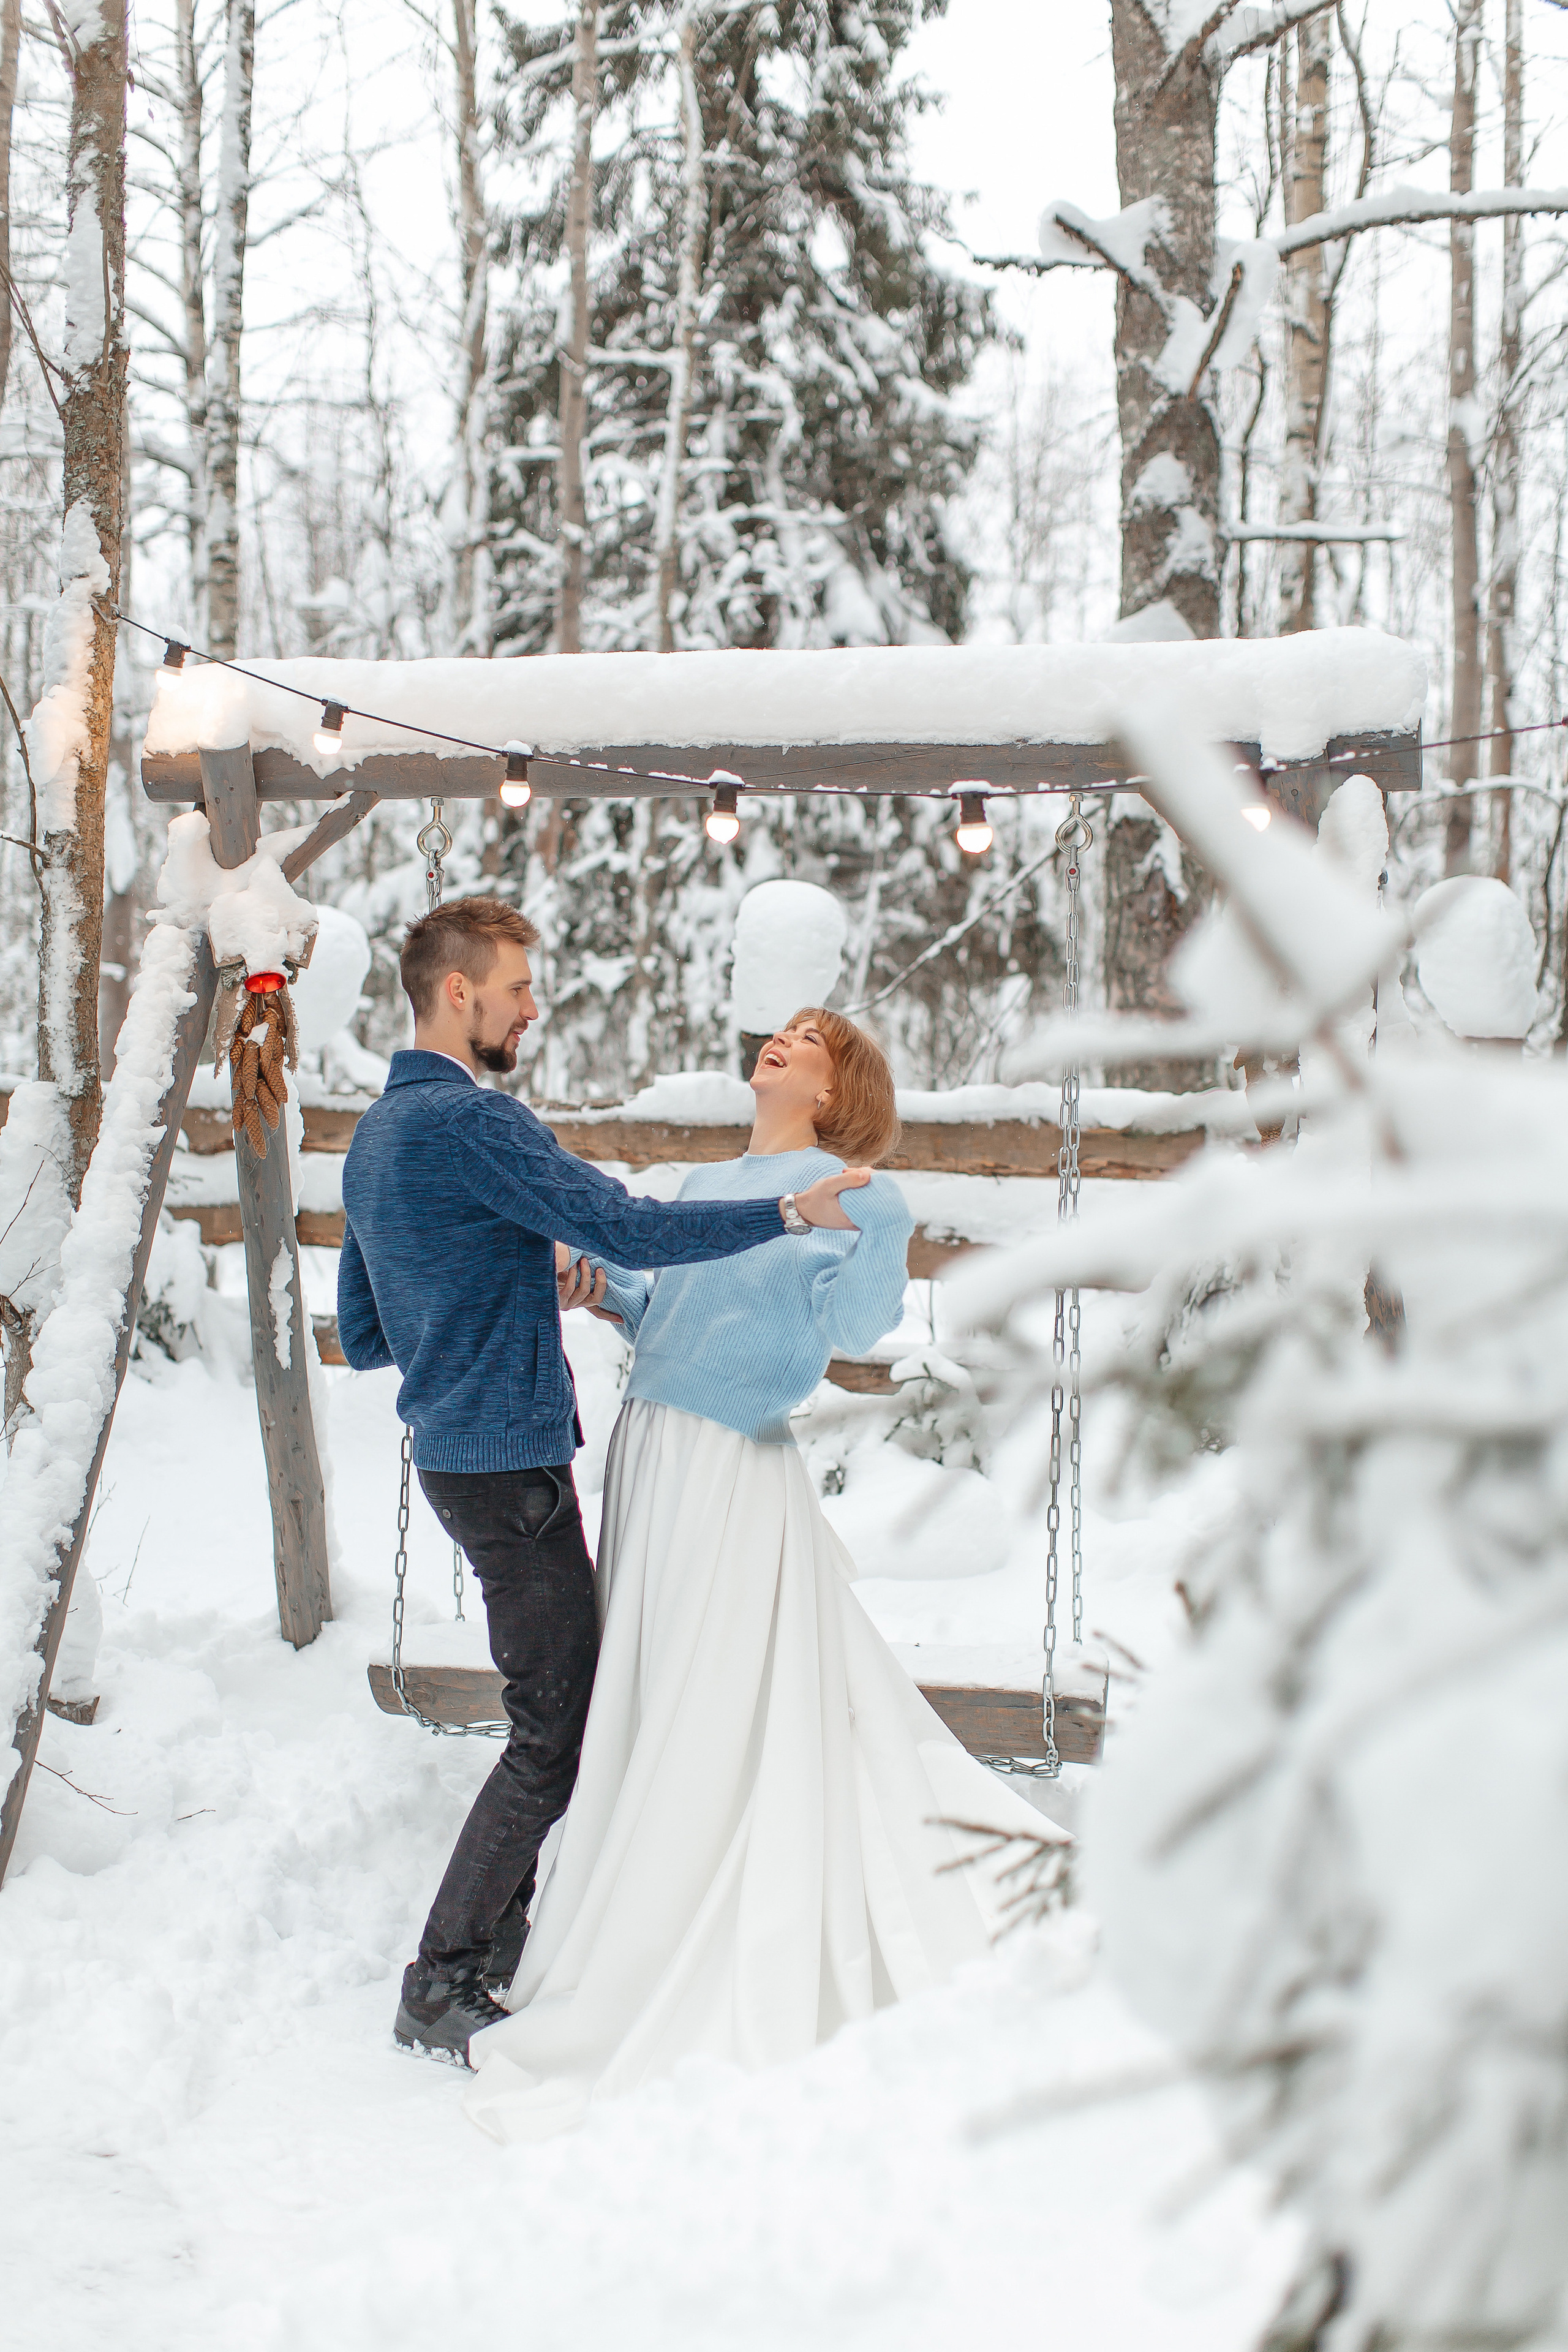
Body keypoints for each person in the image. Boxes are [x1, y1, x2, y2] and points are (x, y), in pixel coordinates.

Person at [462, 1006, 1060, 2143]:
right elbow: (676, 1304)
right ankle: (644, 1877)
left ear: (836, 1089)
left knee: (713, 1688)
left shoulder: (855, 1185)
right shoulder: (705, 1185)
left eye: (811, 1041)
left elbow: (852, 1320)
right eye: (779, 1033)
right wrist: (607, 1290)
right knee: (652, 1680)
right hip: (652, 1445)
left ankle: (702, 1890)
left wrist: (869, 1227)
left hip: (733, 1460)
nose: (780, 1045)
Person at [336, 897, 876, 2064]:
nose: (533, 1007)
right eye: (518, 987)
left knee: (562, 1712)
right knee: (558, 1729)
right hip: (510, 1463)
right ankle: (443, 1975)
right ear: (458, 993)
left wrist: (493, 1284)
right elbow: (628, 1229)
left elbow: (369, 1331)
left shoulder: (376, 1139)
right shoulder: (477, 1126)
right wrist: (786, 1208)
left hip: (453, 1459)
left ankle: (494, 1946)